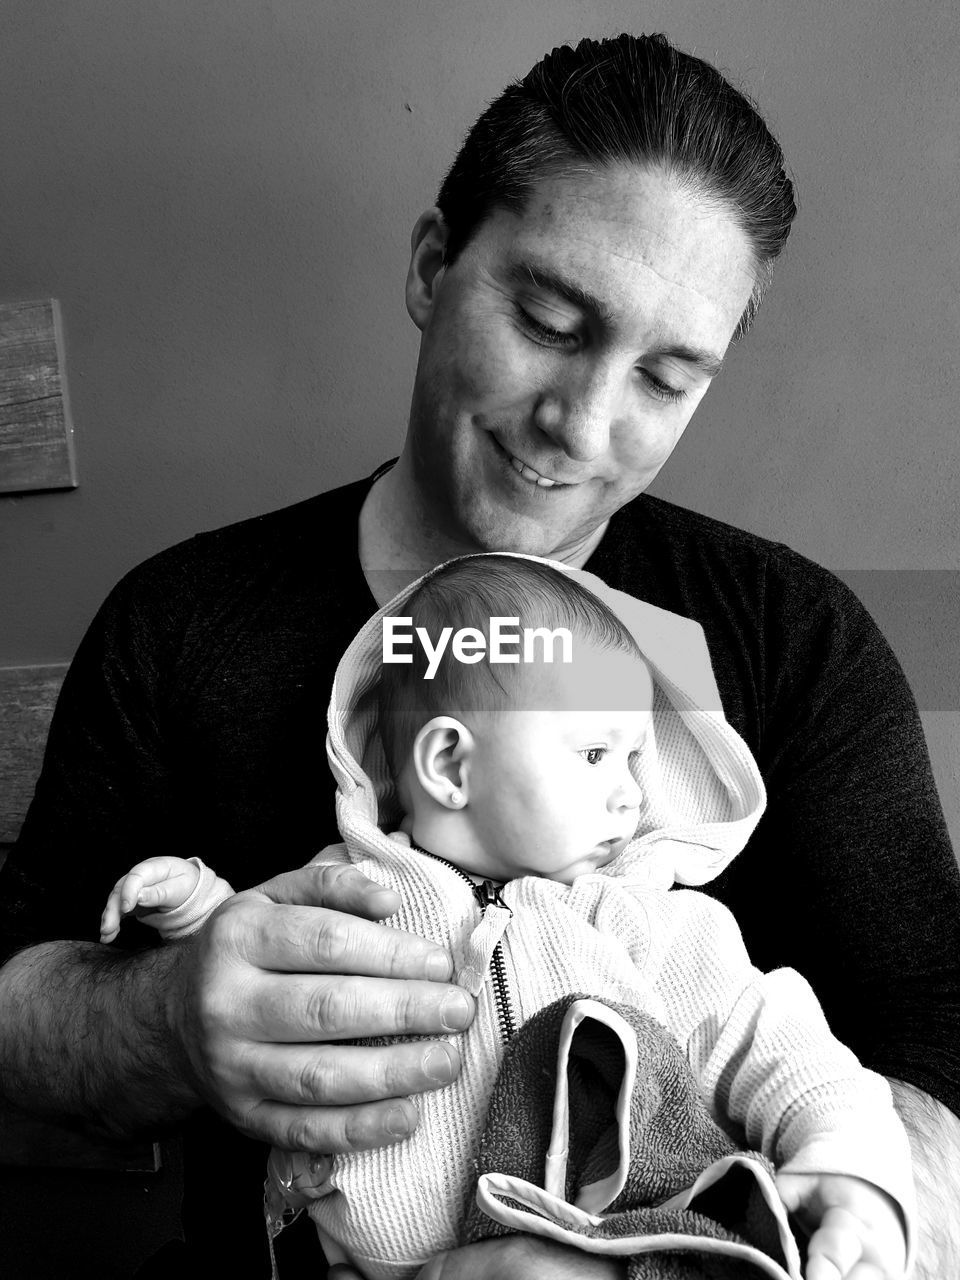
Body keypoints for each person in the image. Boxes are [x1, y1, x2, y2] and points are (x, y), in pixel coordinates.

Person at [1, 30, 958, 1280]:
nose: (586, 423)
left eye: (669, 379)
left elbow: (938, 1053)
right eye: (550, 321)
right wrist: (169, 1016)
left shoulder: (796, 640)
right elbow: (17, 1007)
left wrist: (809, 1225)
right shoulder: (180, 619)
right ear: (432, 264)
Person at [100, 554, 913, 1280]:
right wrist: (201, 911)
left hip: (615, 1255)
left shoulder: (642, 921)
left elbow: (779, 1040)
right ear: (451, 763)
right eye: (595, 755)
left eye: (636, 757)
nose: (632, 791)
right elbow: (256, 970)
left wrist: (851, 1163)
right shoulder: (348, 892)